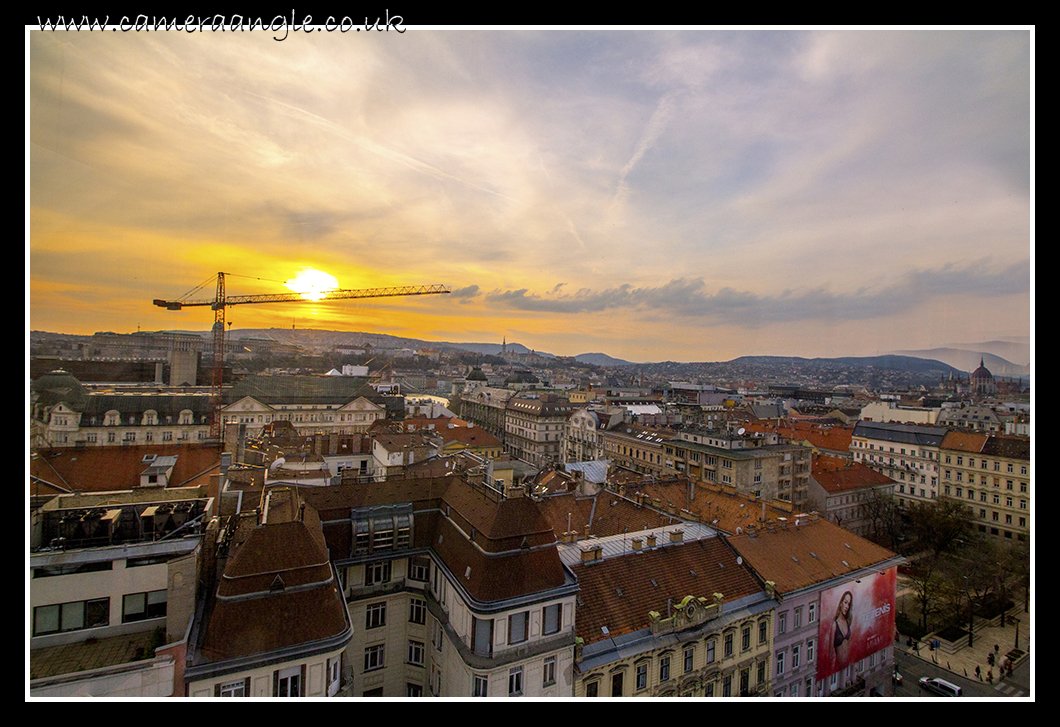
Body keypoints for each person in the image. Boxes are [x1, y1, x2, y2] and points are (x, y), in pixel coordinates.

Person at [831, 591, 853, 666]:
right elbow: (831, 652)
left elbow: (849, 645)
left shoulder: (848, 622)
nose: (847, 606)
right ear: (841, 603)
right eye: (845, 602)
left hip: (847, 664)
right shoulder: (835, 624)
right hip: (838, 666)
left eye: (849, 604)